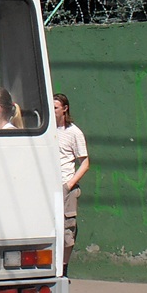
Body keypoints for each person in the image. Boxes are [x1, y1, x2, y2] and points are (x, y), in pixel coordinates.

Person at [55, 93, 89, 276]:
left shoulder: (74, 133)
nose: (52, 111)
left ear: (65, 108)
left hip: (66, 188)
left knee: (67, 230)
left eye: (55, 108)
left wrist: (69, 185)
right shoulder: (47, 131)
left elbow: (85, 163)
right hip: (48, 187)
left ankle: (64, 269)